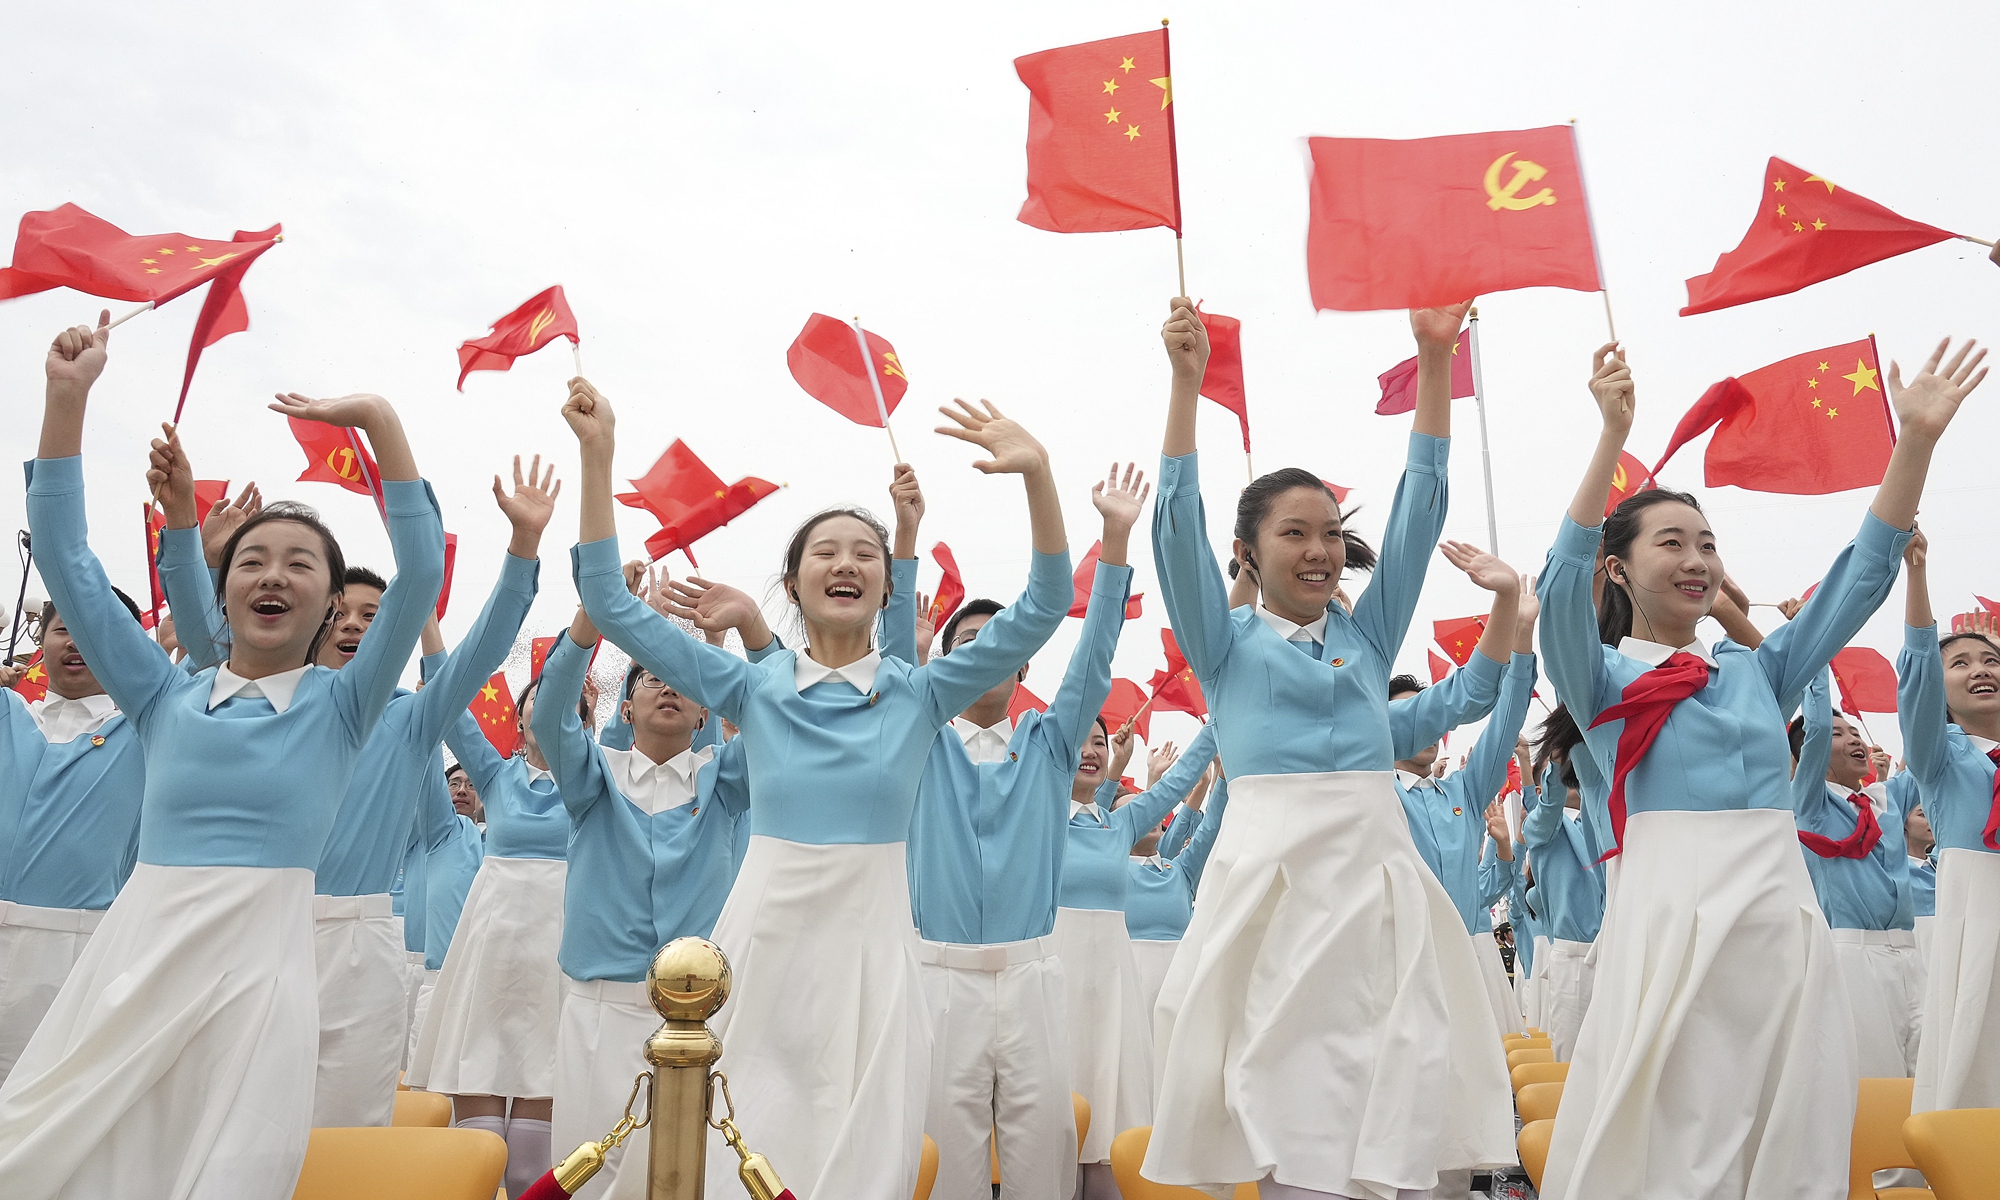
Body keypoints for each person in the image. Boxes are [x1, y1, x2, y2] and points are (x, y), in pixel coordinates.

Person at [564, 376, 1071, 1200]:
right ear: (794, 585)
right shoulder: (752, 687)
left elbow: (1047, 601)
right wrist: (598, 456)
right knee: (734, 1126)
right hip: (763, 935)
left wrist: (1036, 474)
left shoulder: (921, 692)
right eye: (824, 553)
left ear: (883, 585)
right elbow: (608, 602)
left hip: (875, 948)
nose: (846, 563)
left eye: (865, 553)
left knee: (861, 1145)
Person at [0, 314, 442, 1199]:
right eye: (252, 561)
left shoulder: (343, 707)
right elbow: (68, 558)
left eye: (300, 565)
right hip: (135, 961)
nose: (272, 575)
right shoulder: (163, 695)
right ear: (220, 586)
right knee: (72, 1157)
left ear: (328, 607)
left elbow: (422, 568)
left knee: (229, 1169)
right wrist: (65, 399)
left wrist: (381, 421)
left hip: (260, 977)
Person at [1535, 336, 1982, 1200]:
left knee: (1794, 1125)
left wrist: (1915, 442)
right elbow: (1557, 584)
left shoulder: (1758, 670)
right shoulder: (1598, 680)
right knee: (1675, 1132)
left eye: (1707, 543)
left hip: (1781, 923)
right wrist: (1610, 436)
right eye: (1673, 542)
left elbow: (1860, 578)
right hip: (1670, 924)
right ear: (1619, 567)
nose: (1698, 560)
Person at [1146, 297, 1515, 1200]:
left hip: (1375, 885)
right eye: (1294, 534)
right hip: (1272, 890)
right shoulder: (1223, 642)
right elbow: (1173, 522)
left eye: (1329, 536)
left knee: (1395, 1089)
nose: (1319, 552)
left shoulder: (1369, 635)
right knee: (1287, 1103)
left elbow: (1420, 512)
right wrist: (1185, 386)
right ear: (1249, 549)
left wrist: (1435, 361)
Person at [157, 437, 554, 1128]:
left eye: (376, 616)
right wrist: (205, 553)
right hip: (242, 927)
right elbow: (203, 638)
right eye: (343, 612)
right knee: (223, 1126)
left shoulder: (409, 716)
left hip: (355, 948)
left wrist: (522, 547)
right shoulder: (252, 700)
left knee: (340, 1137)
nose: (355, 626)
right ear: (315, 616)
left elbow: (485, 646)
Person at [889, 462, 1143, 1200]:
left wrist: (1116, 539)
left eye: (1000, 643)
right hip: (939, 978)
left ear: (1023, 662)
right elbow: (897, 658)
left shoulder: (1051, 741)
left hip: (1035, 977)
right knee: (947, 1166)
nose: (983, 655)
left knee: (1042, 1164)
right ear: (944, 659)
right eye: (967, 642)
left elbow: (1094, 655)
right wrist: (905, 537)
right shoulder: (920, 739)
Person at [534, 599, 755, 1200]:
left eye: (683, 681)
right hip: (599, 1010)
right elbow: (551, 712)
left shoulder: (726, 779)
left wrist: (719, 646)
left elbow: (778, 713)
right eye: (652, 677)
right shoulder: (592, 776)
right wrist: (592, 619)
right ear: (624, 707)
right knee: (590, 1168)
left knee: (693, 1174)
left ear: (704, 708)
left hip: (701, 1019)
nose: (668, 688)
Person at [412, 646, 590, 1192]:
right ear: (518, 718)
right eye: (540, 696)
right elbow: (452, 705)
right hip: (490, 960)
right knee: (480, 1150)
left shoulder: (594, 782)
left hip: (556, 960)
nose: (554, 705)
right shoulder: (493, 774)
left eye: (573, 703)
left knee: (530, 1164)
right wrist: (426, 622)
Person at [0, 594, 147, 1086]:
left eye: (98, 628)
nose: (76, 640)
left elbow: (217, 653)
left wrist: (200, 562)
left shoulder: (147, 730)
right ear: (40, 641)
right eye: (64, 627)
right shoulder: (10, 714)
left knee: (37, 1112)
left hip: (75, 955)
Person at [1065, 722, 1216, 1198]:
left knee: (1115, 1129)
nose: (1090, 750)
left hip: (1115, 992)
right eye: (1079, 739)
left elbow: (1178, 785)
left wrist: (1220, 720)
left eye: (1099, 742)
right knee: (1052, 1136)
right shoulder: (1036, 816)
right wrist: (1114, 774)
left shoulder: (1119, 826)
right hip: (1057, 986)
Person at [1391, 573, 1540, 1042]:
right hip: (1400, 961)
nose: (1428, 729)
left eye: (1432, 716)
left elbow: (1505, 723)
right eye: (1410, 719)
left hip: (1466, 957)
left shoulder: (1464, 793)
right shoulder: (1374, 792)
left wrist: (1520, 638)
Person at [1899, 521, 2000, 1112]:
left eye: (1989, 659)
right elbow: (1914, 671)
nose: (1980, 669)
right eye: (1959, 664)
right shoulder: (1942, 759)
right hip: (1978, 912)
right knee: (1975, 1050)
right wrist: (1917, 575)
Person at [1789, 669, 1921, 1078]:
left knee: (1931, 1074)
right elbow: (1814, 729)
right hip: (1851, 954)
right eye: (1837, 733)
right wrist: (1816, 660)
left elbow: (1928, 746)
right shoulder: (1809, 802)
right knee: (1874, 1078)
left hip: (1913, 954)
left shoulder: (1887, 800)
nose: (1854, 740)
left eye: (1855, 733)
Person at [1520, 721, 1607, 1062]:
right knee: (1575, 1066)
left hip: (1619, 948)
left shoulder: (1598, 820)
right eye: (1564, 766)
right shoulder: (1542, 831)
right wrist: (1551, 762)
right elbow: (1546, 810)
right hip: (1574, 962)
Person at [1125, 760, 1223, 1019]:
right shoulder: (1111, 872)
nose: (1150, 816)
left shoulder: (1180, 870)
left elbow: (1211, 826)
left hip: (1180, 988)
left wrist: (1222, 774)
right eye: (1137, 811)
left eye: (1152, 810)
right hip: (1128, 991)